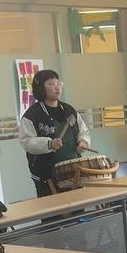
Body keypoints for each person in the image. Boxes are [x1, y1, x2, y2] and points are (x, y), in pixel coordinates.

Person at [18, 69, 92, 197]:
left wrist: (83, 142)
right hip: (46, 174)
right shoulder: (32, 115)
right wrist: (49, 144)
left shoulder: (69, 110)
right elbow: (27, 142)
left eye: (58, 83)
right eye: (51, 84)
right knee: (53, 207)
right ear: (41, 89)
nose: (57, 87)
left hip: (73, 169)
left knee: (78, 203)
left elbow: (83, 131)